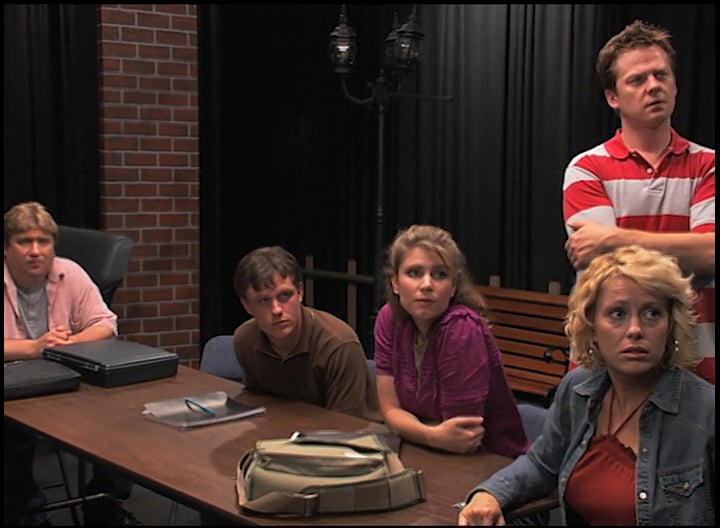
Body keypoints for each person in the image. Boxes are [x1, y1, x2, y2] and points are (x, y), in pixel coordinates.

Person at [458, 245, 715, 526]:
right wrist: (489, 494)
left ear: (670, 325)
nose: (635, 330)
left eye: (652, 313)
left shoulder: (706, 411)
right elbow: (542, 464)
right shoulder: (578, 388)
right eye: (617, 314)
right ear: (592, 326)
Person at [562, 19, 715, 384]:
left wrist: (613, 238)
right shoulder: (586, 168)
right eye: (637, 80)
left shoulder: (709, 165)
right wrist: (688, 251)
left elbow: (711, 254)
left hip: (695, 365)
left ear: (675, 84)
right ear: (613, 97)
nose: (653, 86)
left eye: (661, 75)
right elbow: (609, 269)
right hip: (602, 371)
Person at [3, 201, 140, 526]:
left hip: (65, 379)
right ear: (6, 247)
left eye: (43, 241)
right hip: (11, 384)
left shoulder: (70, 273)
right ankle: (29, 514)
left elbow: (106, 323)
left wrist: (70, 343)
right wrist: (33, 348)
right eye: (24, 242)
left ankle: (104, 504)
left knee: (126, 419)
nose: (35, 251)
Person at [373, 224, 529, 458]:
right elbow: (390, 409)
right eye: (414, 273)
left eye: (440, 274)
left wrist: (415, 429)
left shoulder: (461, 329)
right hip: (425, 448)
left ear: (453, 286)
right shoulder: (390, 318)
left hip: (491, 460)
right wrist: (430, 434)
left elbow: (462, 437)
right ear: (395, 282)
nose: (427, 284)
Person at [232, 245, 380, 422]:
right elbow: (258, 403)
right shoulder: (245, 339)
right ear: (247, 305)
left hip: (356, 431)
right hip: (285, 426)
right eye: (264, 300)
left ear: (300, 292)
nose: (276, 309)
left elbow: (345, 425)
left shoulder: (339, 345)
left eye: (284, 295)